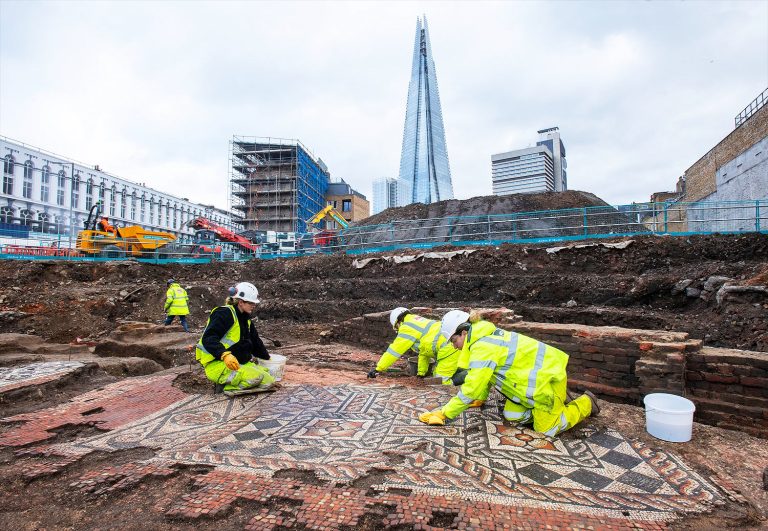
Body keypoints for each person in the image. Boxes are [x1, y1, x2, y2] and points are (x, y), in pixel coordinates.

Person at [417, 310, 600, 436]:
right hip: (530, 385)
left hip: (546, 381)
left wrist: (444, 413)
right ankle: (554, 402)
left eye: (453, 340)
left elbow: (472, 386)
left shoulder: (483, 346)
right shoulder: (482, 337)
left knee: (547, 430)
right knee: (513, 416)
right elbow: (484, 377)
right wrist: (480, 398)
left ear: (464, 332)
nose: (453, 346)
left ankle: (585, 403)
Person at [195, 282, 276, 397]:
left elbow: (256, 342)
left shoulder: (245, 319)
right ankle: (225, 387)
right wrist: (224, 354)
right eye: (251, 302)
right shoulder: (224, 314)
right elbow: (209, 338)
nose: (254, 305)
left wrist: (268, 358)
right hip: (218, 364)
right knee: (255, 377)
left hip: (238, 363)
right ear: (241, 302)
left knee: (269, 380)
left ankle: (238, 382)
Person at [367, 307, 463, 386]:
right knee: (458, 370)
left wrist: (378, 368)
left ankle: (463, 383)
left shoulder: (406, 327)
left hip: (450, 346)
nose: (398, 330)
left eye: (396, 328)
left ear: (397, 323)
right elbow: (424, 352)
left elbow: (394, 351)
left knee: (440, 381)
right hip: (455, 342)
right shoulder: (418, 321)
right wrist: (421, 373)